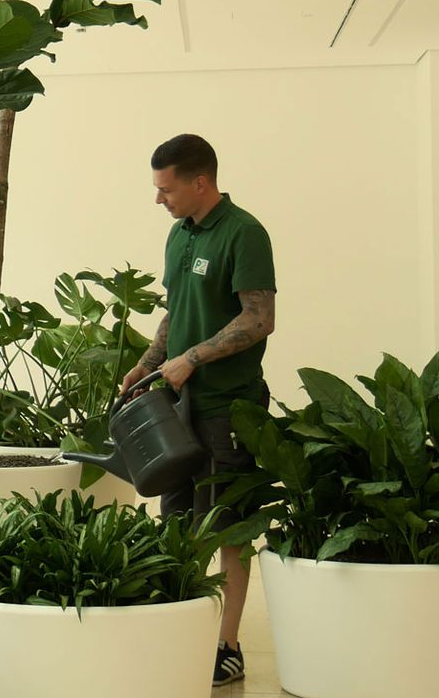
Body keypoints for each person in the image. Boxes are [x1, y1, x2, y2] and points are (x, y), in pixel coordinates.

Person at [120, 133, 277, 688]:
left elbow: (259, 319)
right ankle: (184, 629)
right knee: (178, 521)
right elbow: (174, 309)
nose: (159, 199)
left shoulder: (244, 233)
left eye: (165, 189)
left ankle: (227, 646)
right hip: (178, 405)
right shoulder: (178, 235)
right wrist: (150, 361)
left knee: (229, 528)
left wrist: (193, 357)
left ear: (199, 182)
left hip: (227, 408)